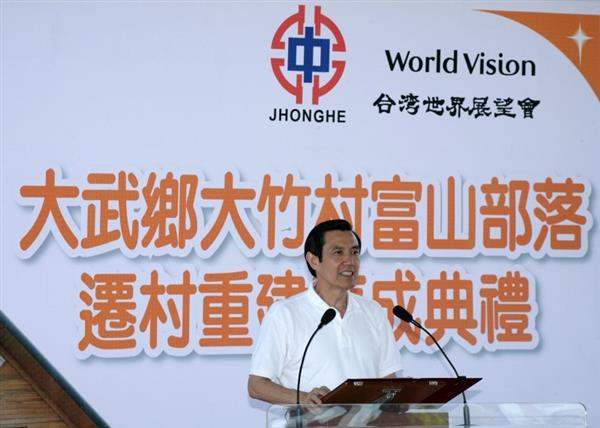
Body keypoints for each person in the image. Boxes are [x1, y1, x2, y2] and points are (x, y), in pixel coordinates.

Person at [248, 219, 402, 405]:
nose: (350, 261)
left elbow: (388, 380)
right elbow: (256, 385)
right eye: (338, 252)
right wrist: (304, 399)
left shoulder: (373, 312)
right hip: (305, 420)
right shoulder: (285, 313)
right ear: (314, 260)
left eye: (354, 252)